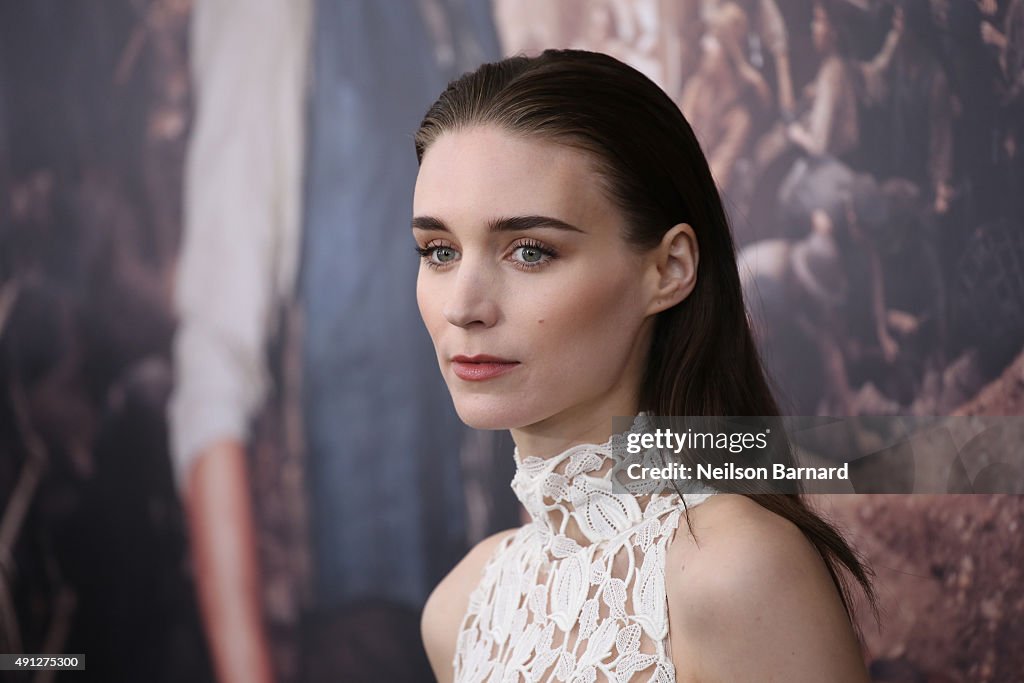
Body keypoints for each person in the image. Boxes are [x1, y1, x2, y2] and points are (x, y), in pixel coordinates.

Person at [412, 50, 877, 682]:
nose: (463, 306)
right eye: (439, 251)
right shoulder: (460, 609)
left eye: (529, 251)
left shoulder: (735, 572)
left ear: (668, 269)